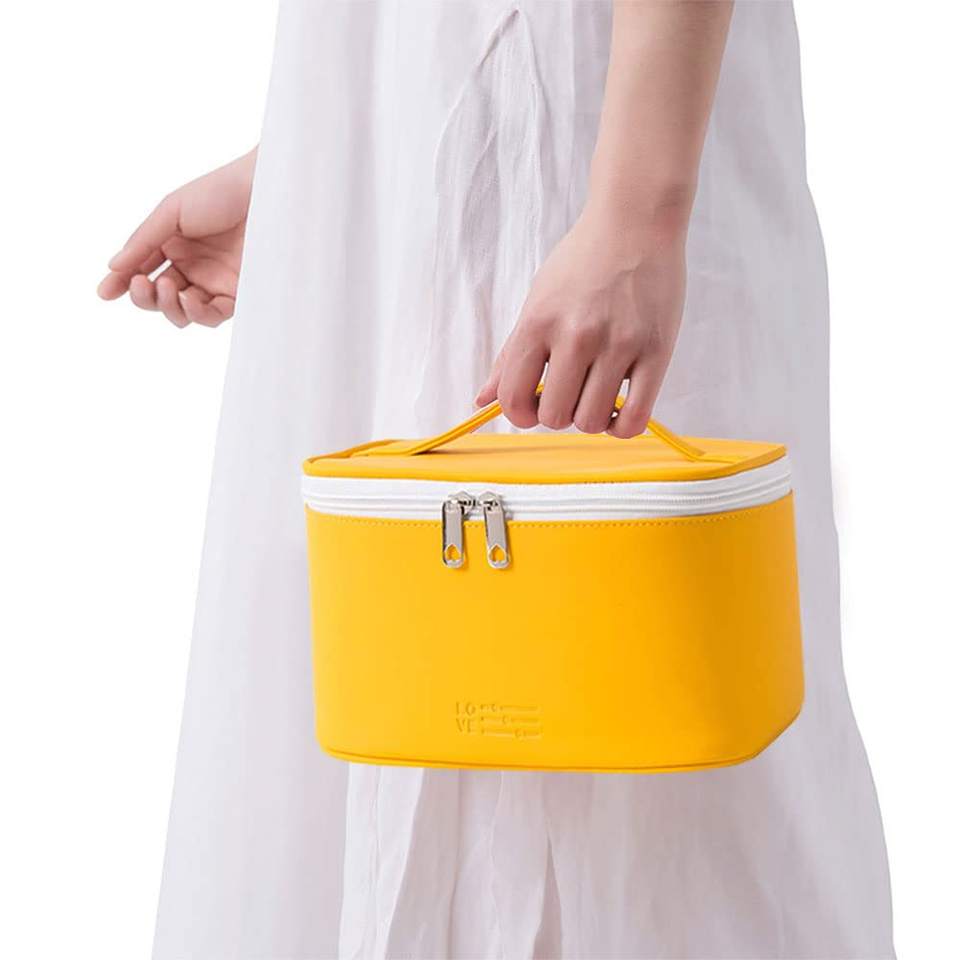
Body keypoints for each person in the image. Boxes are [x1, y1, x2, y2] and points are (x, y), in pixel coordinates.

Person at [99, 2, 895, 957]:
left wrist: (635, 212)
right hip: (450, 165)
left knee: (662, 785)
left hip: (604, 144)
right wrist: (324, 157)